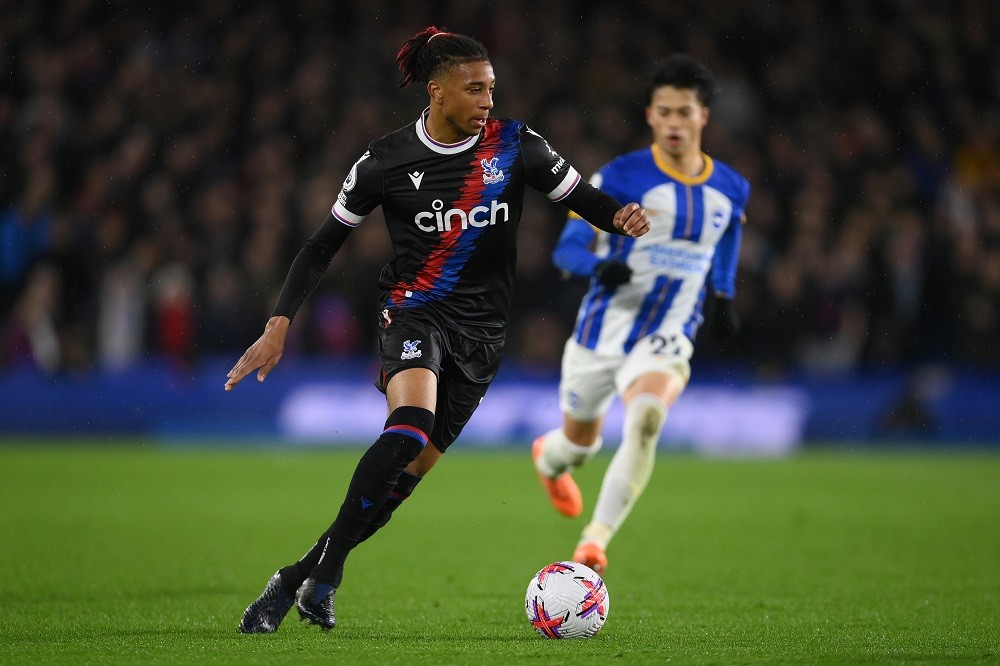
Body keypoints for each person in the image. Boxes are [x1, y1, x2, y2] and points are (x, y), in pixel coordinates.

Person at [225, 26, 649, 633]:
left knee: (400, 484)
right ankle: (317, 578)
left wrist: (622, 217)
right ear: (437, 92)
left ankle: (300, 575)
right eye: (474, 90)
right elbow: (320, 247)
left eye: (491, 89)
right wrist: (278, 324)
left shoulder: (515, 146)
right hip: (414, 313)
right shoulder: (386, 160)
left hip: (483, 336)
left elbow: (584, 197)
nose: (487, 102)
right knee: (407, 430)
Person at [531, 55, 749, 574]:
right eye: (665, 112)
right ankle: (549, 458)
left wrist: (723, 296)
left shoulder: (732, 188)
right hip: (601, 331)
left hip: (668, 332)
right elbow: (566, 250)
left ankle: (595, 540)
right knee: (577, 448)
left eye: (685, 112)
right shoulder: (622, 176)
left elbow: (728, 240)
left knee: (648, 418)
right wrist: (597, 268)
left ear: (704, 118)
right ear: (650, 115)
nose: (675, 122)